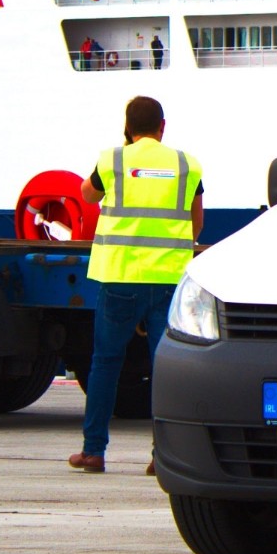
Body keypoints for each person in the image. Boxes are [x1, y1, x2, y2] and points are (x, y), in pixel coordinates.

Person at [67, 96, 203, 475]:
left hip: (120, 276)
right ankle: (163, 456)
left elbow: (86, 194)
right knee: (167, 368)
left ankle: (93, 451)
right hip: (167, 279)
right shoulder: (186, 164)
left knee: (106, 363)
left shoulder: (112, 159)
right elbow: (197, 223)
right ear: (163, 126)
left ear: (127, 128)